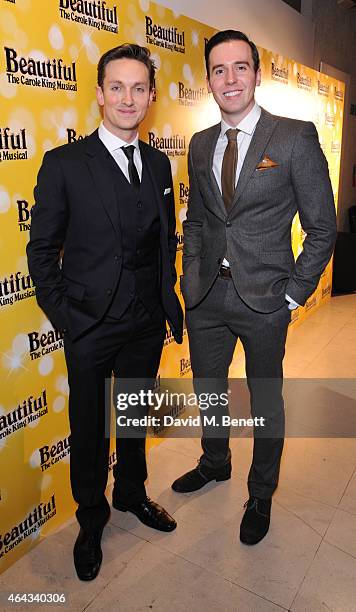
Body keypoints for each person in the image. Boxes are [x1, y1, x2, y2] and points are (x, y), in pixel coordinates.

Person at [172, 30, 336, 545]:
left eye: (240, 67)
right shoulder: (201, 144)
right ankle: (215, 461)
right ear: (209, 81)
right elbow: (197, 219)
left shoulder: (293, 136)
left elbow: (323, 227)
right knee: (209, 390)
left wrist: (294, 294)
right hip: (205, 298)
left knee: (265, 399)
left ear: (257, 75)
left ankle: (260, 491)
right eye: (219, 70)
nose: (230, 79)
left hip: (266, 299)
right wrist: (189, 274)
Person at [27, 43, 183, 581]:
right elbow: (41, 252)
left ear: (151, 97)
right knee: (90, 429)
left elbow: (165, 242)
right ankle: (90, 520)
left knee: (135, 418)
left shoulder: (161, 162)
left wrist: (166, 300)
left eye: (138, 88)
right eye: (116, 86)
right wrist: (67, 318)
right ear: (99, 94)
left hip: (144, 322)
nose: (127, 97)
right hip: (89, 326)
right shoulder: (65, 164)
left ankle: (132, 495)